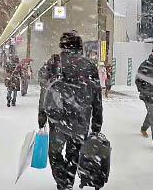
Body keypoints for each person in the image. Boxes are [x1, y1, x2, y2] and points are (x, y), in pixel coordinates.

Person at [39, 32, 103, 190]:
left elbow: (44, 90)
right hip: (81, 119)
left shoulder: (54, 62)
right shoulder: (89, 66)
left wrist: (42, 115)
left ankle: (63, 183)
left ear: (62, 46)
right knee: (73, 154)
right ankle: (67, 182)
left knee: (54, 154)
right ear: (80, 46)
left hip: (57, 119)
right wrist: (97, 123)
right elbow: (97, 97)